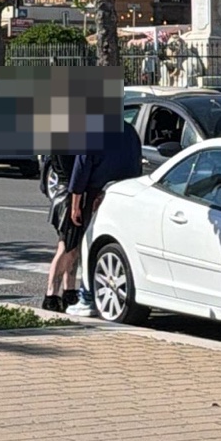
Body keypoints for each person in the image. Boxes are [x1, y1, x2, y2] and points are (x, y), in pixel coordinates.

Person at [64, 120, 144, 317]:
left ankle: (87, 297)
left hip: (97, 194)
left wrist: (75, 204)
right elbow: (137, 163)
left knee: (89, 245)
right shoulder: (130, 131)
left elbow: (81, 168)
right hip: (126, 192)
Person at [41, 153, 81, 312]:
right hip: (68, 198)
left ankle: (68, 291)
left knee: (72, 248)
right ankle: (51, 295)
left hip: (65, 195)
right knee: (65, 248)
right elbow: (76, 173)